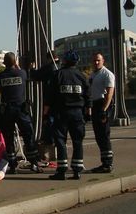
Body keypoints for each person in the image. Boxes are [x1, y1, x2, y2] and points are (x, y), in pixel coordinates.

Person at [44, 49, 90, 180]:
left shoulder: (57, 75)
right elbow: (88, 97)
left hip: (61, 113)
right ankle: (77, 171)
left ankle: (62, 170)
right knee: (77, 141)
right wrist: (88, 113)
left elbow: (49, 97)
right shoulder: (81, 76)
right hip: (77, 113)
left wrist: (45, 114)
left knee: (60, 141)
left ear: (64, 60)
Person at [0, 52, 41, 174]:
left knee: (9, 138)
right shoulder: (22, 73)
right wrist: (17, 66)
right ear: (15, 62)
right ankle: (34, 163)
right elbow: (25, 77)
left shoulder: (0, 76)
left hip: (7, 110)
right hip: (21, 110)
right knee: (28, 136)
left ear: (4, 63)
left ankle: (12, 165)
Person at [88, 52, 115, 173]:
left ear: (103, 60)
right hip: (95, 105)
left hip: (103, 104)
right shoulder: (93, 75)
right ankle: (104, 162)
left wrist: (104, 110)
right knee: (99, 135)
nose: (96, 62)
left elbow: (109, 94)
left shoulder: (107, 74)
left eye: (98, 60)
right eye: (94, 60)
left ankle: (108, 163)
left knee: (104, 135)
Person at [30, 51, 60, 149]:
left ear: (48, 58)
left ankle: (49, 141)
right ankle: (57, 141)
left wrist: (32, 68)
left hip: (50, 99)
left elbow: (36, 76)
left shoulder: (49, 67)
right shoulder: (62, 67)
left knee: (49, 120)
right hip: (62, 99)